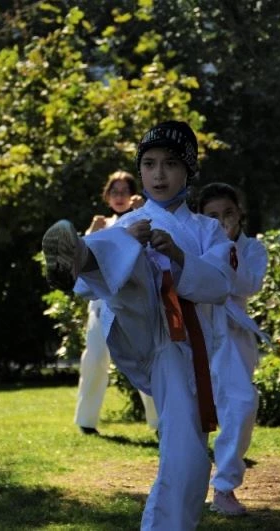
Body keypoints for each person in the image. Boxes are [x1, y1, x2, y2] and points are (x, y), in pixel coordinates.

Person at [42, 120, 235, 530]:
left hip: (184, 348)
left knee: (186, 460)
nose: (158, 174)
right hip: (143, 334)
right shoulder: (129, 221)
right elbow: (84, 292)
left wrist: (181, 256)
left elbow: (219, 285)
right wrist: (129, 239)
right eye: (148, 164)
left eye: (169, 164)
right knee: (128, 246)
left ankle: (86, 256)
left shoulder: (207, 230)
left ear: (188, 172)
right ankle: (80, 255)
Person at [198, 182, 268, 516]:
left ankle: (224, 487)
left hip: (233, 335)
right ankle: (186, 482)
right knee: (191, 412)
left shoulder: (252, 249)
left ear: (240, 214)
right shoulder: (194, 243)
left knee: (241, 405)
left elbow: (248, 284)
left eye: (228, 213)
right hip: (195, 328)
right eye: (212, 216)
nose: (222, 220)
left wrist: (226, 250)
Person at [74, 171, 158, 435]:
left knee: (147, 361)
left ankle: (161, 422)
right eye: (115, 192)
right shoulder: (101, 225)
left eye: (124, 191)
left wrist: (146, 212)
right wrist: (90, 232)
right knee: (96, 359)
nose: (120, 196)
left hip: (134, 304)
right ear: (107, 196)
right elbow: (81, 265)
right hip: (102, 305)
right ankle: (86, 421)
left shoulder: (144, 218)